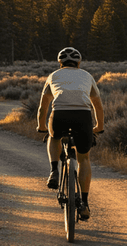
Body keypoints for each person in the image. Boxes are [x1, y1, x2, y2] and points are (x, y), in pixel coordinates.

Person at [36, 46, 104, 220]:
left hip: (60, 115)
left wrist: (41, 126)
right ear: (78, 63)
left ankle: (54, 170)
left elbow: (43, 106)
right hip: (83, 117)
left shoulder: (53, 76)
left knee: (54, 136)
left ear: (60, 63)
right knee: (84, 158)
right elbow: (97, 105)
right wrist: (99, 127)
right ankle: (85, 204)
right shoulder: (87, 76)